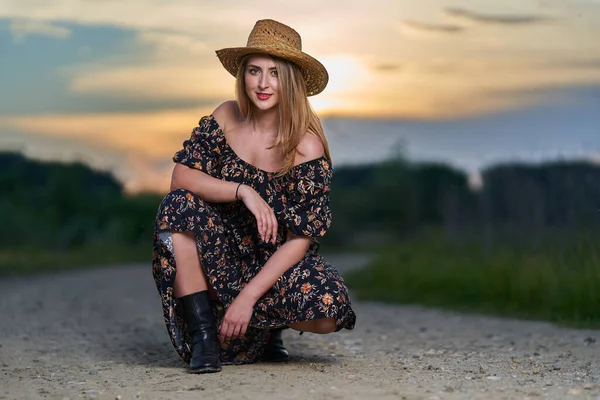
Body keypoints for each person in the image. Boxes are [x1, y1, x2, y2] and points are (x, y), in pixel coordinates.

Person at [151, 19, 356, 374]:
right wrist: (242, 190)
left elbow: (301, 238)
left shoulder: (305, 145)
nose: (262, 84)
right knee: (179, 205)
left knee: (327, 310)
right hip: (220, 256)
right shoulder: (226, 116)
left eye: (275, 73)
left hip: (274, 265)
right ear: (242, 75)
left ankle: (268, 328)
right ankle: (205, 338)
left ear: (290, 80)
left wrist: (248, 299)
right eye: (254, 71)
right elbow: (180, 177)